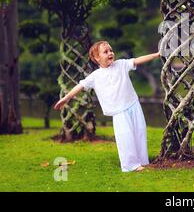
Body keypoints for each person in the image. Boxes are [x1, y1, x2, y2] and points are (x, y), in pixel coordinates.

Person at [53, 41, 160, 172]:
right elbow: (80, 86)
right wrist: (66, 98)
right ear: (97, 58)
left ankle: (143, 160)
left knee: (139, 132)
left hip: (133, 104)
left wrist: (156, 55)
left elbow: (137, 60)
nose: (110, 53)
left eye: (111, 50)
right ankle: (131, 165)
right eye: (106, 52)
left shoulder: (121, 64)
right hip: (118, 111)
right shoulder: (95, 76)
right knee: (125, 137)